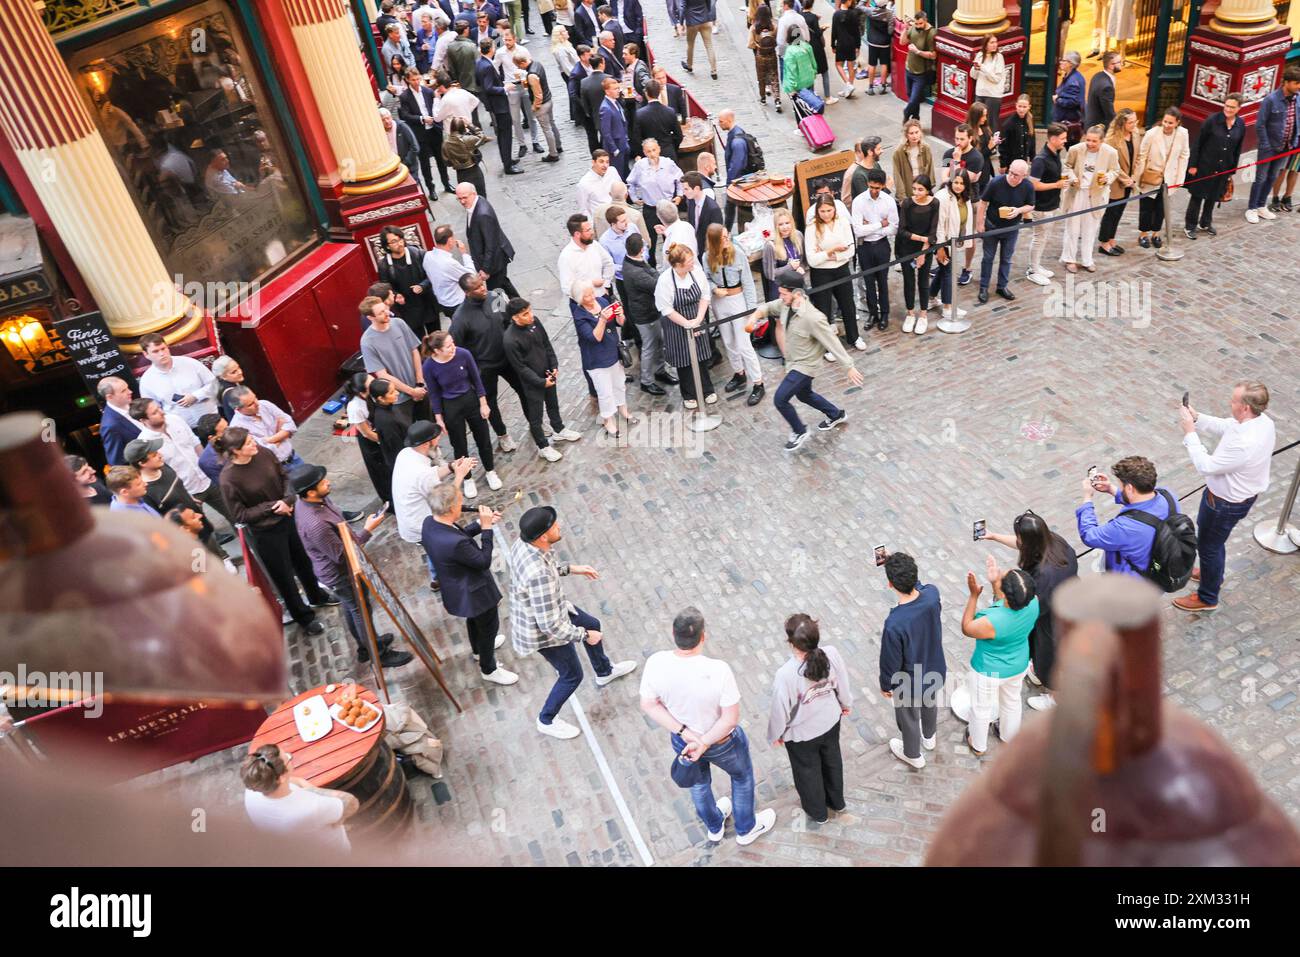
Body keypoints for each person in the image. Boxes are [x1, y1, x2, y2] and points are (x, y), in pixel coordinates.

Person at [640, 606, 776, 843]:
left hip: (684, 740)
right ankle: (745, 829)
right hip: (721, 742)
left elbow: (649, 704)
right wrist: (703, 741)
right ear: (703, 637)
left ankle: (714, 826)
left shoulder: (656, 663)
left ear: (673, 633)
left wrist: (685, 733)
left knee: (699, 783)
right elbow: (729, 718)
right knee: (742, 778)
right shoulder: (718, 670)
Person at [509, 505, 637, 739]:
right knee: (572, 675)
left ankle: (604, 671)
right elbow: (551, 626)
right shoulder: (538, 575)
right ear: (543, 536)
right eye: (555, 526)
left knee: (592, 622)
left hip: (552, 606)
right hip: (544, 630)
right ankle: (546, 719)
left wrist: (570, 569)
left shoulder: (526, 544)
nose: (560, 527)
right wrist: (584, 636)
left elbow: (546, 571)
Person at [216, 427, 336, 635]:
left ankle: (317, 596)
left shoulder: (263, 453)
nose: (254, 443)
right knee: (284, 578)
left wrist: (287, 500)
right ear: (236, 451)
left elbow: (285, 477)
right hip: (266, 533)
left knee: (304, 560)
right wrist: (272, 507)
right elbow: (240, 515)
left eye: (252, 439)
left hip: (289, 516)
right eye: (249, 443)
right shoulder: (228, 479)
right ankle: (303, 617)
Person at [290, 464, 412, 669]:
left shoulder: (316, 500)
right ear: (310, 493)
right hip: (340, 574)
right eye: (322, 482)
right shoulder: (315, 523)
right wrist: (367, 530)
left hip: (341, 570)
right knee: (361, 611)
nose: (327, 482)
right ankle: (378, 654)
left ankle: (366, 647)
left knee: (353, 607)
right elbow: (340, 555)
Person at [1175, 381, 1274, 613]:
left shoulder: (1244, 444)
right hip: (1235, 497)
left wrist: (1190, 431)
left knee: (1209, 547)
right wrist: (1198, 418)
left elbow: (1206, 466)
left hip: (1223, 503)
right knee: (1213, 544)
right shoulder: (1262, 422)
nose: (1230, 403)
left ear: (1246, 407)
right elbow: (1228, 426)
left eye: (1233, 401)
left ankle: (1208, 597)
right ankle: (1212, 574)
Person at [752, 270, 864, 451]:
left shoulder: (813, 318)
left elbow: (832, 341)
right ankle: (836, 414)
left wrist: (849, 366)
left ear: (796, 293)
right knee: (804, 394)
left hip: (806, 366)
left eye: (783, 293)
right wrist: (755, 316)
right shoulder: (786, 304)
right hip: (793, 362)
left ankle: (799, 430)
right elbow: (767, 307)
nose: (780, 296)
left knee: (780, 399)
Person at [422, 481, 518, 685]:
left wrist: (479, 524)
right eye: (459, 502)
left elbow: (457, 535)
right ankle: (489, 669)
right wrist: (487, 530)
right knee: (488, 628)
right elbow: (483, 561)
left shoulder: (430, 523)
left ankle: (478, 651)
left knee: (474, 622)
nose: (462, 504)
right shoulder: (456, 544)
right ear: (450, 509)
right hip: (475, 593)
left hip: (456, 587)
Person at [981, 511, 1077, 710]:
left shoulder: (1043, 575)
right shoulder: (1056, 542)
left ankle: (1054, 697)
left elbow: (1022, 607)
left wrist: (997, 586)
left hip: (1051, 620)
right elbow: (1023, 544)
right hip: (1068, 603)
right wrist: (994, 536)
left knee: (1049, 658)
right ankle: (1040, 671)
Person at [768, 613, 853, 821]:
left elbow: (780, 710)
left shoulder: (786, 674)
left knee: (807, 771)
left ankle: (818, 812)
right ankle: (837, 801)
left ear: (791, 642)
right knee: (832, 760)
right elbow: (842, 682)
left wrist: (776, 735)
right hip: (831, 720)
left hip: (802, 734)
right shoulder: (831, 654)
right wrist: (846, 703)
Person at [960, 556, 1037, 756]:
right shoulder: (1033, 603)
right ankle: (1008, 738)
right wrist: (996, 583)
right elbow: (1005, 603)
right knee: (1012, 701)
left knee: (981, 708)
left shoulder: (992, 622)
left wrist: (973, 596)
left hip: (989, 670)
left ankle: (978, 745)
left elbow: (967, 628)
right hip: (1018, 663)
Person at [878, 551, 945, 768]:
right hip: (934, 667)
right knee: (930, 702)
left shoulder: (894, 624)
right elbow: (921, 586)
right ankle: (930, 736)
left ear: (890, 584)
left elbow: (891, 661)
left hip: (908, 680)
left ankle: (913, 754)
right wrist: (902, 565)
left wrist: (886, 684)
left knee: (907, 717)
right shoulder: (932, 595)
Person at [393, 420, 473, 591]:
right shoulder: (420, 473)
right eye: (436, 438)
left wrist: (451, 467)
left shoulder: (406, 453)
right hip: (420, 525)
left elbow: (431, 475)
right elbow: (445, 501)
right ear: (427, 443)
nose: (439, 440)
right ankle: (449, 580)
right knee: (444, 550)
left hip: (412, 520)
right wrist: (460, 474)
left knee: (432, 549)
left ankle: (436, 579)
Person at [450, 273, 524, 454]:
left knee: (524, 389)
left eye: (482, 284)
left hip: (507, 358)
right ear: (467, 292)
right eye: (477, 287)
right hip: (484, 366)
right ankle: (502, 435)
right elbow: (457, 349)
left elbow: (508, 322)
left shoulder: (494, 297)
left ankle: (535, 422)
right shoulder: (460, 318)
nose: (483, 288)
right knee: (490, 403)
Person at [421, 330, 501, 498]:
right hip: (451, 406)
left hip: (470, 399)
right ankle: (467, 478)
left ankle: (490, 470)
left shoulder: (464, 354)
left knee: (483, 439)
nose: (453, 348)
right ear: (437, 351)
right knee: (459, 445)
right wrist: (439, 418)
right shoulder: (429, 366)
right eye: (448, 346)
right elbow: (434, 393)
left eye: (453, 343)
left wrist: (483, 403)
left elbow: (476, 380)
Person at [503, 297, 584, 460]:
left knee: (553, 404)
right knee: (536, 417)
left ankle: (559, 429)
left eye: (530, 311)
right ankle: (543, 446)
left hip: (548, 373)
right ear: (515, 317)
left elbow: (546, 344)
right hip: (532, 384)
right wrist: (540, 382)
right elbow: (521, 368)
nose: (531, 316)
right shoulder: (510, 340)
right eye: (525, 314)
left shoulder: (535, 322)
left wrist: (554, 366)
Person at [130, 396, 232, 523]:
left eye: (159, 408)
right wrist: (182, 495)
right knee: (201, 528)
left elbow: (195, 442)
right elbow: (159, 471)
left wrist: (208, 468)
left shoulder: (175, 419)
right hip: (187, 491)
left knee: (234, 515)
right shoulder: (146, 443)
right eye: (155, 412)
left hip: (206, 478)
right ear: (143, 420)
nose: (161, 412)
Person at [241, 745, 357, 853]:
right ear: (281, 778)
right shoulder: (309, 808)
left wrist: (303, 784)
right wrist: (313, 791)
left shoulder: (253, 788)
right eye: (287, 758)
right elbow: (351, 802)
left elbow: (292, 781)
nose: (288, 756)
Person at [1075, 455, 1176, 576]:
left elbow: (1089, 535)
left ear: (1129, 488)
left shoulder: (1125, 527)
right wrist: (1111, 489)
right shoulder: (1167, 495)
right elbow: (1141, 501)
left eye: (1121, 485)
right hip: (1160, 566)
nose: (1120, 487)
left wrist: (1087, 498)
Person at [702, 224, 765, 405]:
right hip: (719, 302)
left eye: (726, 235)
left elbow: (748, 282)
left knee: (744, 344)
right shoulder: (707, 257)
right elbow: (705, 277)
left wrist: (751, 310)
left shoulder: (737, 253)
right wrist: (714, 289)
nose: (727, 238)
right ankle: (739, 373)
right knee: (728, 341)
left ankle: (758, 382)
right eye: (723, 237)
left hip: (737, 300)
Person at [654, 243, 717, 409]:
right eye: (689, 261)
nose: (692, 263)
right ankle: (689, 394)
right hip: (676, 323)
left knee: (701, 356)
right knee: (684, 360)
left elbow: (704, 296)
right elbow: (666, 308)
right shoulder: (665, 280)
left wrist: (697, 320)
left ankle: (706, 389)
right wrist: (686, 324)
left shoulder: (696, 272)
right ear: (678, 265)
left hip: (697, 317)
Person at [570, 280, 634, 434]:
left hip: (613, 352)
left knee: (619, 384)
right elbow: (594, 337)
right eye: (586, 296)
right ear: (579, 299)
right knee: (605, 392)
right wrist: (603, 319)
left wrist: (620, 316)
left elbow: (619, 324)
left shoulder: (602, 301)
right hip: (597, 359)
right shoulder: (580, 316)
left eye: (592, 293)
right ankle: (608, 420)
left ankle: (623, 409)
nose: (592, 297)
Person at [360, 295, 428, 429]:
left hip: (419, 387)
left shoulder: (399, 323)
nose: (386, 313)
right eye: (381, 313)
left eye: (385, 309)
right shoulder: (367, 342)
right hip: (399, 398)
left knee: (429, 426)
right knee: (409, 433)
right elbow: (382, 375)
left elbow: (414, 351)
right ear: (371, 318)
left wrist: (419, 382)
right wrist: (411, 391)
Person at [1184, 92, 1245, 239]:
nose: (1228, 110)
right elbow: (1198, 143)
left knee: (1213, 196)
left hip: (1223, 169)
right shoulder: (1212, 121)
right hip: (1205, 166)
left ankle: (1205, 223)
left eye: (1232, 107)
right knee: (1197, 196)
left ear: (1239, 108)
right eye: (1226, 106)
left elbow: (1237, 148)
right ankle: (1190, 226)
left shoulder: (1240, 125)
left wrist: (1232, 170)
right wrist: (1193, 165)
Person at [1060, 124, 1119, 274]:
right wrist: (1072, 178)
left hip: (1096, 194)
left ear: (1102, 141)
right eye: (1088, 140)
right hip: (1077, 192)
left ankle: (1087, 260)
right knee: (1072, 227)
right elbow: (1067, 166)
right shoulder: (1076, 149)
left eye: (1094, 141)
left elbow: (1115, 170)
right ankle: (1069, 259)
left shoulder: (1111, 153)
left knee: (1090, 228)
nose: (1090, 144)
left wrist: (1108, 177)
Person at [805, 193, 862, 350]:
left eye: (829, 210)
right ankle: (829, 346)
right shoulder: (811, 228)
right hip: (821, 273)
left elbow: (850, 251)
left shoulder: (842, 222)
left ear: (834, 209)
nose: (826, 214)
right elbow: (812, 260)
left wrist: (826, 254)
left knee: (848, 305)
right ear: (817, 211)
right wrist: (834, 250)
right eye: (822, 211)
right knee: (823, 310)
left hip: (841, 270)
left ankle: (854, 337)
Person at [1246, 64, 1300, 223]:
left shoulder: (1297, 99)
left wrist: (1295, 140)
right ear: (1287, 82)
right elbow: (1260, 124)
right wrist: (1266, 145)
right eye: (1297, 83)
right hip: (1269, 148)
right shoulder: (1270, 100)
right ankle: (1252, 208)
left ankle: (1262, 206)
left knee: (1272, 177)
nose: (1299, 87)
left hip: (1286, 147)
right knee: (1261, 178)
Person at [975, 160, 1035, 304]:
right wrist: (979, 223)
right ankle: (983, 287)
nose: (1012, 177)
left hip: (1012, 228)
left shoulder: (1027, 186)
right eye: (1011, 173)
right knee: (988, 258)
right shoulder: (996, 182)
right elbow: (983, 202)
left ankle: (1002, 286)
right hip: (992, 225)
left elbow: (1031, 205)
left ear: (1024, 176)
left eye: (1016, 175)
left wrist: (1018, 210)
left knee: (1006, 259)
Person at [1133, 106, 1189, 249]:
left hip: (1169, 177)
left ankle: (1156, 233)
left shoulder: (1183, 134)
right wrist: (1137, 177)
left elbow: (1184, 155)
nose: (1166, 125)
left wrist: (1179, 178)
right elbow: (1142, 155)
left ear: (1177, 123)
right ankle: (1143, 234)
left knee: (1162, 208)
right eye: (1165, 121)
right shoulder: (1152, 133)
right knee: (1146, 207)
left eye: (1170, 123)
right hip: (1150, 175)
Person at [850, 166, 896, 331]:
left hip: (882, 245)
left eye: (877, 188)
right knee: (868, 282)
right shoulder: (859, 201)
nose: (874, 191)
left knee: (882, 282)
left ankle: (884, 314)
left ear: (883, 186)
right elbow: (857, 230)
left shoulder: (889, 201)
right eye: (871, 187)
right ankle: (872, 313)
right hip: (864, 246)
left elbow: (893, 227)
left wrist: (871, 227)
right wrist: (879, 224)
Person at [137, 334, 217, 427]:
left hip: (211, 421)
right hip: (183, 428)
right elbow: (152, 409)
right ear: (146, 354)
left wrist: (196, 396)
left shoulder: (189, 363)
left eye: (163, 348)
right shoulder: (147, 381)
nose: (162, 354)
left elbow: (214, 384)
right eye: (155, 351)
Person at [397, 68, 454, 199]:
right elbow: (405, 115)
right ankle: (431, 188)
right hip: (420, 134)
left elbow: (436, 108)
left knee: (441, 159)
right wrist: (422, 119)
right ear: (407, 80)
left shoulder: (428, 92)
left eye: (418, 79)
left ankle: (446, 184)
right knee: (425, 163)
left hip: (434, 130)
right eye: (413, 80)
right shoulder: (405, 97)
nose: (416, 82)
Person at [1025, 122, 1070, 286]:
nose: (1065, 141)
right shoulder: (1040, 159)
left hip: (1052, 204)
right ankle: (1032, 270)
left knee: (1044, 238)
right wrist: (1056, 185)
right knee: (1039, 238)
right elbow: (1033, 185)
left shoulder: (1055, 153)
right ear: (1052, 139)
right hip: (1041, 207)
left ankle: (1036, 265)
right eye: (1062, 138)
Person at [626, 139, 682, 265]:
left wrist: (679, 195)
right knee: (649, 240)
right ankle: (652, 266)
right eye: (648, 151)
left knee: (671, 238)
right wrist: (634, 198)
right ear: (644, 153)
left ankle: (674, 263)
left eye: (654, 150)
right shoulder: (640, 166)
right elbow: (631, 182)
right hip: (650, 209)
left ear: (659, 149)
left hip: (667, 208)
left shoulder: (668, 163)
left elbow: (680, 179)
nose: (652, 154)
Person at [895, 174, 938, 333]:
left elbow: (933, 232)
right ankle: (910, 313)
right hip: (906, 247)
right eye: (914, 189)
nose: (916, 193)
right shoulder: (907, 203)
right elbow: (902, 231)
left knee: (923, 281)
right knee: (908, 281)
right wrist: (921, 238)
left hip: (925, 248)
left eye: (920, 190)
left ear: (928, 191)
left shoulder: (934, 204)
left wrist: (923, 252)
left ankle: (923, 315)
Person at [458, 184, 519, 296]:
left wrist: (485, 270)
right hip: (494, 259)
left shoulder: (482, 214)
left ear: (473, 194)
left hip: (494, 262)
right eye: (459, 198)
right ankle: (520, 306)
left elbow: (491, 245)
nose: (462, 201)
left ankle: (500, 312)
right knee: (503, 283)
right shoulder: (476, 202)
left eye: (464, 197)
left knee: (495, 293)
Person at [377, 226, 438, 337]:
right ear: (387, 246)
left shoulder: (418, 254)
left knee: (436, 337)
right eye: (394, 241)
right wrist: (396, 295)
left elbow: (432, 274)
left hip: (427, 303)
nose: (399, 243)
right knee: (418, 341)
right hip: (407, 309)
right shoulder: (384, 265)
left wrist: (422, 286)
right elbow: (385, 287)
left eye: (400, 239)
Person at [930, 168, 973, 324]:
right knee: (949, 271)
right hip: (943, 241)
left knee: (944, 270)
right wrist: (940, 247)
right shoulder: (942, 197)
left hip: (955, 240)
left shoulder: (964, 197)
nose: (958, 186)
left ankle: (930, 297)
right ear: (950, 181)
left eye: (962, 183)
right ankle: (948, 307)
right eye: (956, 182)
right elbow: (939, 225)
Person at [226, 386, 303, 471]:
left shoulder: (265, 404)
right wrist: (281, 432)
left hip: (293, 457)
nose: (257, 403)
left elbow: (290, 423)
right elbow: (265, 451)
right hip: (276, 469)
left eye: (255, 398)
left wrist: (269, 439)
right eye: (250, 404)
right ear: (238, 409)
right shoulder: (237, 427)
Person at [344, 373, 394, 505]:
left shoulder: (373, 394)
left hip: (383, 431)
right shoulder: (355, 407)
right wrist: (385, 441)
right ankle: (391, 502)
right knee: (383, 473)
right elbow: (366, 433)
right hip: (373, 441)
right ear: (362, 391)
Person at [475, 38, 522, 174]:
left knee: (503, 134)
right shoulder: (487, 66)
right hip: (499, 105)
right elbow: (489, 87)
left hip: (494, 104)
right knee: (505, 135)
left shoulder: (479, 63)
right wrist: (505, 88)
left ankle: (507, 159)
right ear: (491, 49)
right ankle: (508, 165)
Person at [1097, 109, 1138, 257]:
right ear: (1122, 123)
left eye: (1135, 121)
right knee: (1111, 213)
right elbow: (1111, 164)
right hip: (1116, 182)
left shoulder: (1135, 135)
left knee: (1119, 212)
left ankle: (1111, 239)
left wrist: (1133, 177)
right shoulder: (1112, 140)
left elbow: (1137, 158)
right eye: (1131, 122)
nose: (1134, 124)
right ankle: (1103, 243)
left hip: (1129, 182)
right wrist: (1125, 178)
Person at [514, 47, 562, 162]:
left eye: (518, 65)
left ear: (523, 62)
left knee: (546, 129)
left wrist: (534, 107)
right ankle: (558, 146)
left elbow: (538, 94)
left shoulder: (531, 75)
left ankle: (553, 153)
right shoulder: (537, 64)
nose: (519, 68)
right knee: (552, 123)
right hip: (549, 99)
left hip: (542, 105)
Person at [423, 224, 477, 323]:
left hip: (443, 302)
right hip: (457, 304)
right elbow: (470, 276)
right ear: (450, 240)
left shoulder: (428, 256)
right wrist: (464, 253)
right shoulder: (449, 263)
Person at [761, 207, 805, 301]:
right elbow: (770, 274)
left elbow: (803, 260)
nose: (785, 227)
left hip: (797, 287)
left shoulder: (798, 236)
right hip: (780, 291)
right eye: (780, 224)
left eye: (787, 223)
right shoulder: (770, 245)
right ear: (775, 226)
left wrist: (801, 267)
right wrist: (790, 267)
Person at [97, 376, 141, 466]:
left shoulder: (135, 404)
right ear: (110, 397)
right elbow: (116, 462)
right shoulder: (110, 425)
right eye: (123, 391)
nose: (130, 391)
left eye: (127, 388)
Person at [901, 10, 935, 123]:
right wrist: (905, 29)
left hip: (921, 73)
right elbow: (902, 42)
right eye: (916, 23)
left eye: (920, 23)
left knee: (914, 99)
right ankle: (915, 119)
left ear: (925, 21)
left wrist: (917, 51)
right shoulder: (913, 28)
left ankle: (906, 113)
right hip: (908, 69)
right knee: (911, 97)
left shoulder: (931, 33)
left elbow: (933, 55)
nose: (918, 26)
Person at [891, 118, 936, 204]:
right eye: (911, 133)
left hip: (923, 189)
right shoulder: (898, 152)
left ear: (920, 133)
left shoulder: (926, 148)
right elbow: (897, 176)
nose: (914, 136)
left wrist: (928, 190)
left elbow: (930, 169)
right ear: (906, 135)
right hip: (908, 188)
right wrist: (902, 198)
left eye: (917, 132)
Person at [681, 171, 723, 258]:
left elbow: (716, 237)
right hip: (695, 249)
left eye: (686, 189)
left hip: (708, 253)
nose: (684, 193)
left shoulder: (713, 209)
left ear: (696, 188)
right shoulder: (691, 201)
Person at [749, 4, 782, 111]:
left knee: (761, 77)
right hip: (771, 54)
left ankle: (763, 98)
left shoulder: (754, 28)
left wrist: (758, 45)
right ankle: (777, 100)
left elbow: (750, 44)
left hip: (760, 56)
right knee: (774, 76)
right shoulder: (774, 26)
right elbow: (777, 40)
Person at [800, 3, 835, 103]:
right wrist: (822, 29)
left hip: (806, 46)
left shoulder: (800, 16)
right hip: (816, 47)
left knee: (810, 72)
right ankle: (828, 97)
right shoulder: (813, 17)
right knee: (824, 71)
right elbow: (818, 33)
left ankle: (811, 96)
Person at [969, 33, 1006, 124]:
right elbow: (973, 76)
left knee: (990, 123)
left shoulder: (999, 57)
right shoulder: (980, 55)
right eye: (992, 42)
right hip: (980, 93)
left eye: (996, 42)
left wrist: (983, 68)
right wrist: (975, 68)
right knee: (977, 122)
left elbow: (996, 79)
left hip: (993, 95)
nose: (995, 44)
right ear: (985, 45)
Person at [597, 77, 630, 176]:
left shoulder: (615, 102)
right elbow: (605, 132)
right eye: (615, 89)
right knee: (618, 174)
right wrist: (614, 149)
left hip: (623, 144)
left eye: (618, 88)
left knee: (625, 171)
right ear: (607, 92)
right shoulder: (606, 108)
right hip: (616, 148)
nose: (618, 91)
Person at [576, 150, 623, 218]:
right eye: (601, 162)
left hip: (619, 215)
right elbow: (583, 209)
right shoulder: (583, 184)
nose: (605, 165)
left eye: (607, 162)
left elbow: (620, 189)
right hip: (600, 220)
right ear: (593, 162)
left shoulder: (612, 171)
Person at [679, 0, 718, 80]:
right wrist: (706, 12)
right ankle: (713, 70)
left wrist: (681, 23)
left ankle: (689, 66)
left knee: (690, 45)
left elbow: (682, 7)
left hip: (692, 22)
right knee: (709, 45)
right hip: (705, 19)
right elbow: (709, 2)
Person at [1053, 51, 1085, 143]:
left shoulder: (1073, 81)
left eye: (1063, 60)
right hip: (1066, 120)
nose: (1060, 62)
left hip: (1067, 122)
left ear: (1071, 64)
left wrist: (1057, 100)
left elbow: (1073, 101)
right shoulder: (1072, 76)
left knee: (1065, 147)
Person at [781, 25, 817, 107]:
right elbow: (813, 63)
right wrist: (813, 73)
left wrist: (791, 89)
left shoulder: (790, 51)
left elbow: (791, 72)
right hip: (809, 80)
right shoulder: (807, 46)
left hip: (798, 85)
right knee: (811, 105)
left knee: (801, 109)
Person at [831, 0, 860, 100]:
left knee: (838, 65)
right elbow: (857, 31)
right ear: (847, 1)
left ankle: (848, 85)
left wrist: (832, 45)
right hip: (851, 43)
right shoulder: (853, 14)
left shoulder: (836, 14)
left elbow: (834, 31)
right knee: (851, 66)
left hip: (841, 44)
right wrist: (858, 46)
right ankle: (848, 88)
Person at [863, 0, 894, 95]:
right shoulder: (889, 13)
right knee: (884, 64)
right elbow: (890, 30)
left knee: (872, 64)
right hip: (884, 42)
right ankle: (882, 86)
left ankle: (871, 88)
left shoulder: (870, 11)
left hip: (873, 42)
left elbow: (859, 6)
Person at [999, 93, 1035, 172]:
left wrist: (1033, 158)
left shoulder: (1030, 120)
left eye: (1024, 107)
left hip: (1023, 162)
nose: (1021, 109)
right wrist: (1003, 164)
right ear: (1016, 105)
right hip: (1011, 162)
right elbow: (1003, 146)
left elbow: (1032, 141)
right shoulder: (1008, 124)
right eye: (1020, 106)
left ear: (1029, 107)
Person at [1085, 50, 1120, 131]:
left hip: (1090, 123)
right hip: (1099, 128)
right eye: (1119, 62)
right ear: (1111, 65)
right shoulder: (1107, 87)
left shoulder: (1097, 75)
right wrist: (1118, 126)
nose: (1122, 64)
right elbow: (1109, 112)